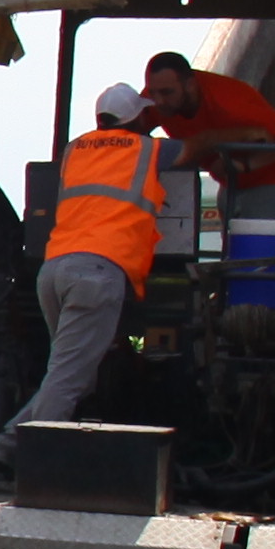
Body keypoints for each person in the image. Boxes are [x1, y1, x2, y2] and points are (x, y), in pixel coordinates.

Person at [18, 81, 167, 425]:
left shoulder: (75, 149)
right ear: (139, 117)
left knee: (71, 375)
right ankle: (22, 454)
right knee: (69, 378)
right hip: (96, 275)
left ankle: (7, 446)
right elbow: (197, 149)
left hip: (54, 270)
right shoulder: (148, 149)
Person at [137, 51, 275, 175]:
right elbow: (130, 135)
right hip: (229, 182)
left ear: (190, 85)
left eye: (167, 93)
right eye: (153, 93)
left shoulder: (231, 103)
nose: (158, 101)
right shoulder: (151, 99)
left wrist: (245, 165)